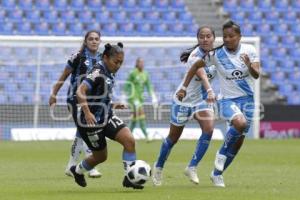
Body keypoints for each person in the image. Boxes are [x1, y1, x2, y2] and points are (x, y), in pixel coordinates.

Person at [176, 20, 260, 187]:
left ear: (239, 37)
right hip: (226, 100)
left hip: (247, 100)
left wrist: (249, 65)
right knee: (240, 123)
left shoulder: (250, 50)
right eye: (225, 36)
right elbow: (194, 66)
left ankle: (217, 175)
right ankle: (221, 154)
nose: (227, 39)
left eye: (231, 36)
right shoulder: (216, 54)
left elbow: (256, 75)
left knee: (238, 144)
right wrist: (184, 86)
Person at [70, 42, 143, 189]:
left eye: (121, 62)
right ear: (105, 58)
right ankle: (77, 171)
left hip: (106, 116)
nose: (118, 65)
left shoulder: (110, 71)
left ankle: (130, 178)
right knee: (101, 157)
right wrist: (87, 112)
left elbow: (98, 97)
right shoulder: (97, 72)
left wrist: (113, 105)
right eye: (116, 62)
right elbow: (80, 91)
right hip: (90, 122)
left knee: (129, 140)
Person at [152, 26, 217, 186]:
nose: (205, 39)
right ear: (198, 39)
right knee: (173, 138)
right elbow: (202, 74)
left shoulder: (218, 56)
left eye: (208, 36)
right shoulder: (194, 56)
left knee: (208, 129)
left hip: (201, 101)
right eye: (202, 36)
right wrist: (210, 90)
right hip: (183, 100)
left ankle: (192, 167)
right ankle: (158, 167)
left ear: (214, 38)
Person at [49, 30, 102, 178]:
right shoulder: (77, 57)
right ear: (85, 41)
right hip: (75, 98)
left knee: (81, 132)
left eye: (96, 39)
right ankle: (90, 167)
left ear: (100, 41)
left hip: (90, 100)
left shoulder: (100, 58)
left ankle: (71, 166)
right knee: (87, 128)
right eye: (91, 39)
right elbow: (64, 76)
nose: (94, 41)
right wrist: (54, 94)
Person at [123, 58, 157, 141]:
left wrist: (153, 97)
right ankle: (147, 136)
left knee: (134, 118)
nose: (142, 64)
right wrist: (124, 96)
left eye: (143, 62)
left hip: (140, 99)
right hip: (133, 98)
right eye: (140, 62)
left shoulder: (145, 74)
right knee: (141, 113)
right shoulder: (133, 73)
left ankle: (127, 136)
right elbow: (127, 85)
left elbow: (149, 86)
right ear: (137, 64)